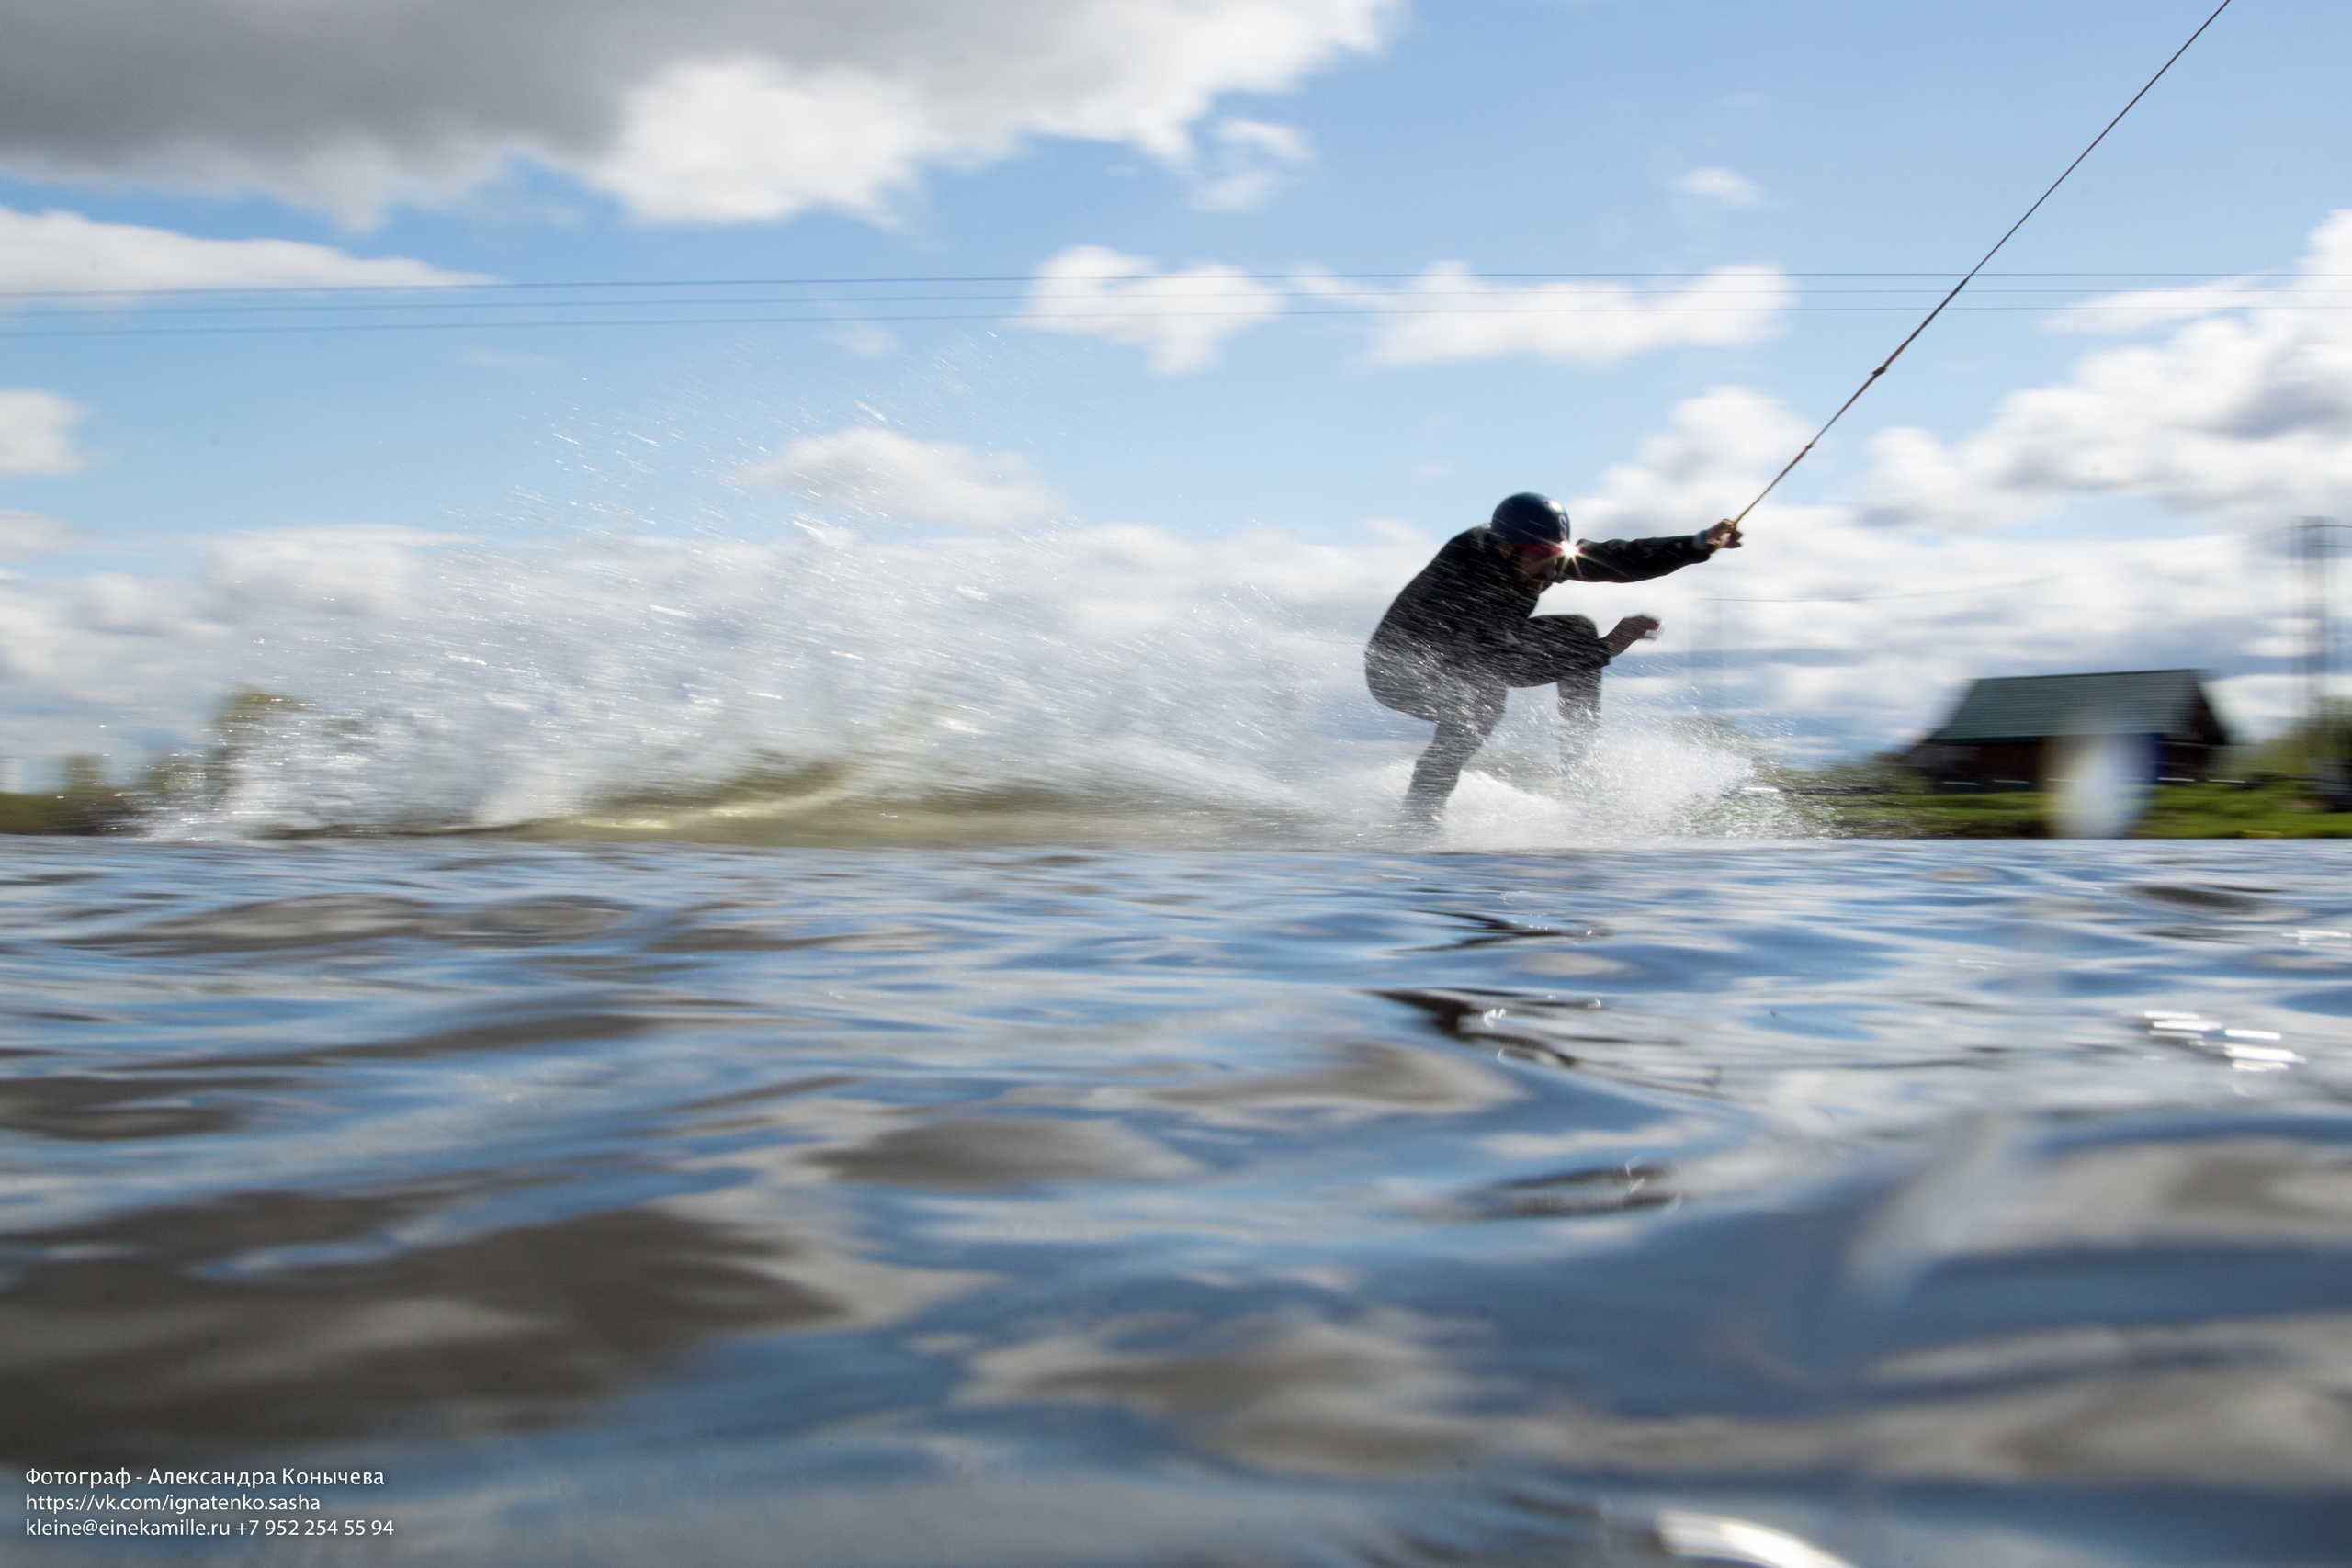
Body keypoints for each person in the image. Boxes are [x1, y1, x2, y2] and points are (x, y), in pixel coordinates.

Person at [1365, 491, 1741, 829]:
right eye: (1543, 562)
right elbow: (1503, 665)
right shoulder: (1468, 573)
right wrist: (1607, 647)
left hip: (1466, 663)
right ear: (1507, 550)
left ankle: (1582, 774)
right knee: (1482, 702)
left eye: (1556, 560)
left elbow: (1615, 560)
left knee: (1577, 629)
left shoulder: (1532, 552)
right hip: (1398, 672)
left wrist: (1698, 544)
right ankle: (1418, 815)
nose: (1550, 573)